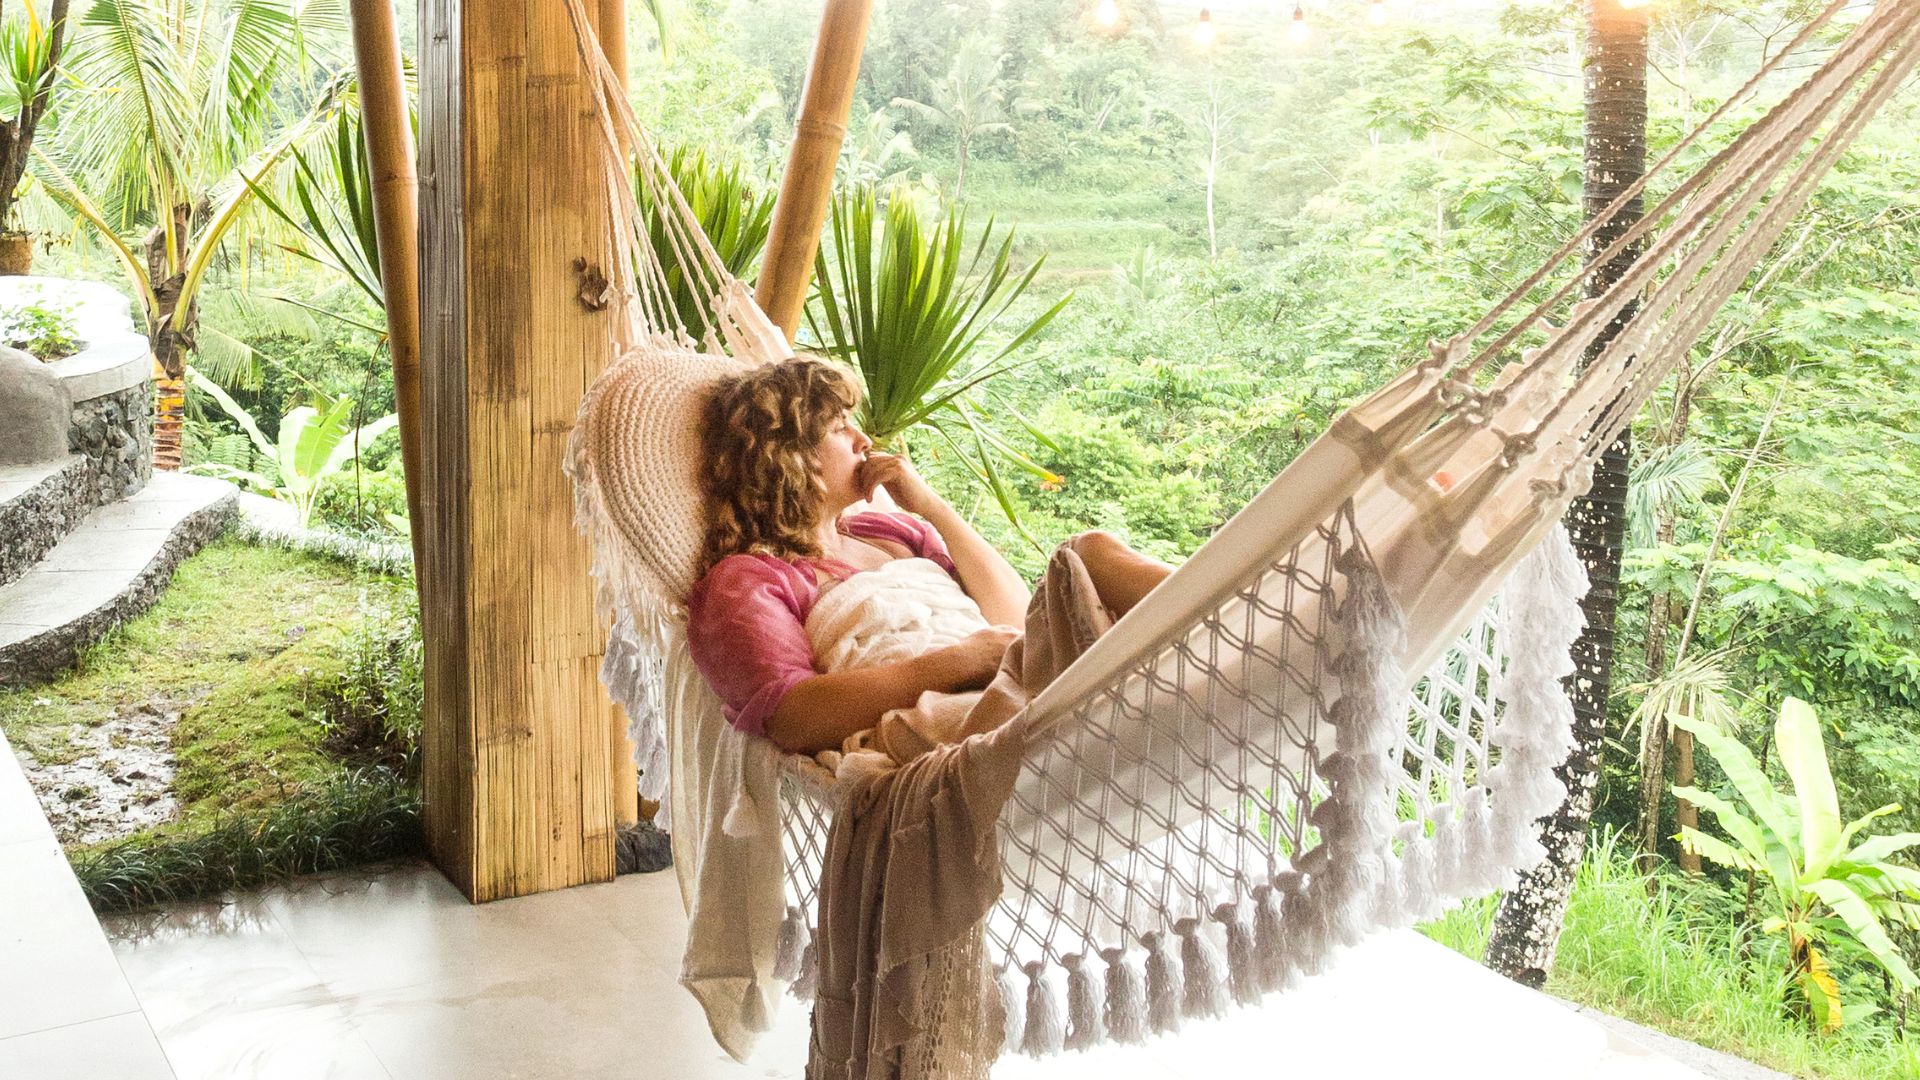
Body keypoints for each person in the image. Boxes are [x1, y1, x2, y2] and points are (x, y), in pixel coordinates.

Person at [685, 359, 1171, 757]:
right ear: (784, 456)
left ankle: (1220, 607)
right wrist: (960, 661)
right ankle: (1145, 665)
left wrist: (933, 508)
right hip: (950, 723)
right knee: (1082, 571)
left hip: (1012, 680)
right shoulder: (747, 579)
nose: (863, 441)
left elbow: (1012, 616)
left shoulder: (891, 532)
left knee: (1087, 554)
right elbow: (790, 718)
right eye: (839, 428)